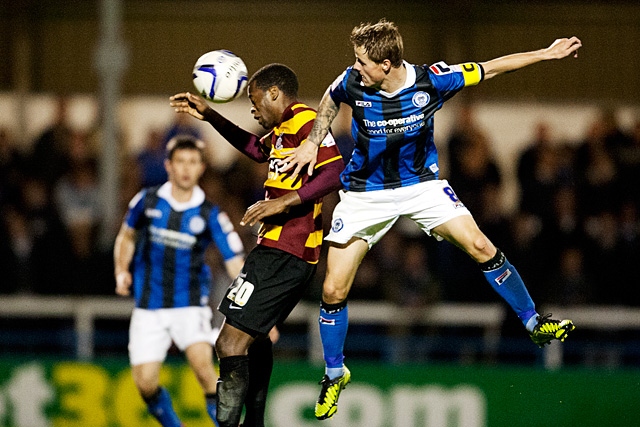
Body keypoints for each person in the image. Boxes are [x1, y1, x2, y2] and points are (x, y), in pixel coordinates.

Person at [282, 18, 581, 420]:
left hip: (421, 185)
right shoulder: (352, 81)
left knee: (480, 245)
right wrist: (311, 144)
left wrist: (545, 53)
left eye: (362, 62)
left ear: (387, 63)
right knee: (333, 289)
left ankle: (532, 321)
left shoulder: (433, 81)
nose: (355, 68)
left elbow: (492, 66)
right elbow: (331, 98)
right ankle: (335, 373)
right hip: (364, 193)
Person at [169, 63, 343, 427]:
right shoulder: (283, 130)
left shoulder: (305, 120)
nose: (253, 108)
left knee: (229, 344)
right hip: (277, 251)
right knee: (255, 338)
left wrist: (285, 201)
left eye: (255, 99)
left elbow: (335, 169)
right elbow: (255, 149)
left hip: (286, 251)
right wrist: (211, 116)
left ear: (275, 93)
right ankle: (255, 422)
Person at [114, 135, 245, 427]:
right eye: (180, 162)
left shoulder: (210, 214)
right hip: (149, 306)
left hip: (190, 305)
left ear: (202, 167)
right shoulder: (146, 201)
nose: (186, 168)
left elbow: (234, 261)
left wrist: (254, 306)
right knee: (145, 384)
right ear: (168, 166)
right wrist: (121, 269)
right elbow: (126, 235)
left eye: (193, 162)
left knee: (203, 365)